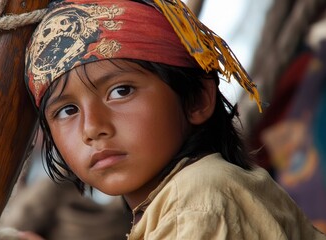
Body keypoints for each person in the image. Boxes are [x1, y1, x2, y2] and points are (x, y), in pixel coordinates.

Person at [20, 0, 326, 239]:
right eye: (67, 111)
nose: (92, 128)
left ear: (196, 100)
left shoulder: (199, 199)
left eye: (121, 91)